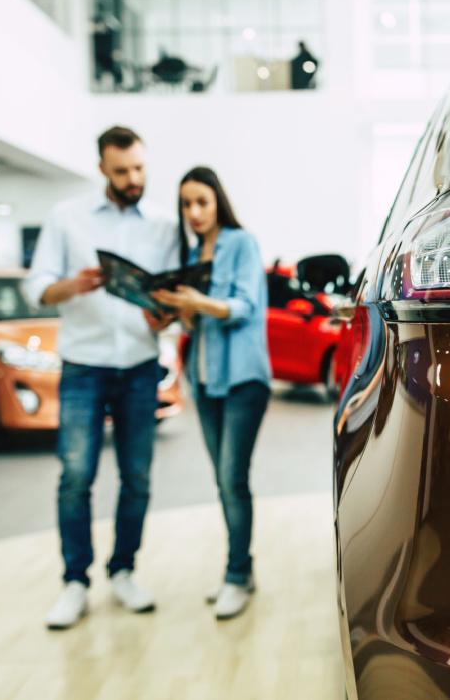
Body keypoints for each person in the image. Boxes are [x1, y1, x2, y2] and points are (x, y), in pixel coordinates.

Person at [24, 126, 179, 630]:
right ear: (102, 170)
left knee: (136, 478)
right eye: (121, 172)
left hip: (138, 364)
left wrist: (166, 315)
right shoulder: (66, 218)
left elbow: (173, 296)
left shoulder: (163, 224)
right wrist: (71, 285)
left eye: (139, 169)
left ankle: (124, 570)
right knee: (75, 477)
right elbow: (36, 288)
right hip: (83, 365)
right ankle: (75, 581)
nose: (133, 179)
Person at [152, 166, 271, 620]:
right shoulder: (189, 253)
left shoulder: (241, 243)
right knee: (224, 482)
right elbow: (194, 324)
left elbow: (244, 307)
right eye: (186, 204)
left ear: (217, 200)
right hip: (204, 381)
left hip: (243, 379)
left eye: (202, 201)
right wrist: (172, 311)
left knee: (231, 479)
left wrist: (195, 302)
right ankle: (242, 569)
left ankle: (237, 575)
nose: (194, 212)